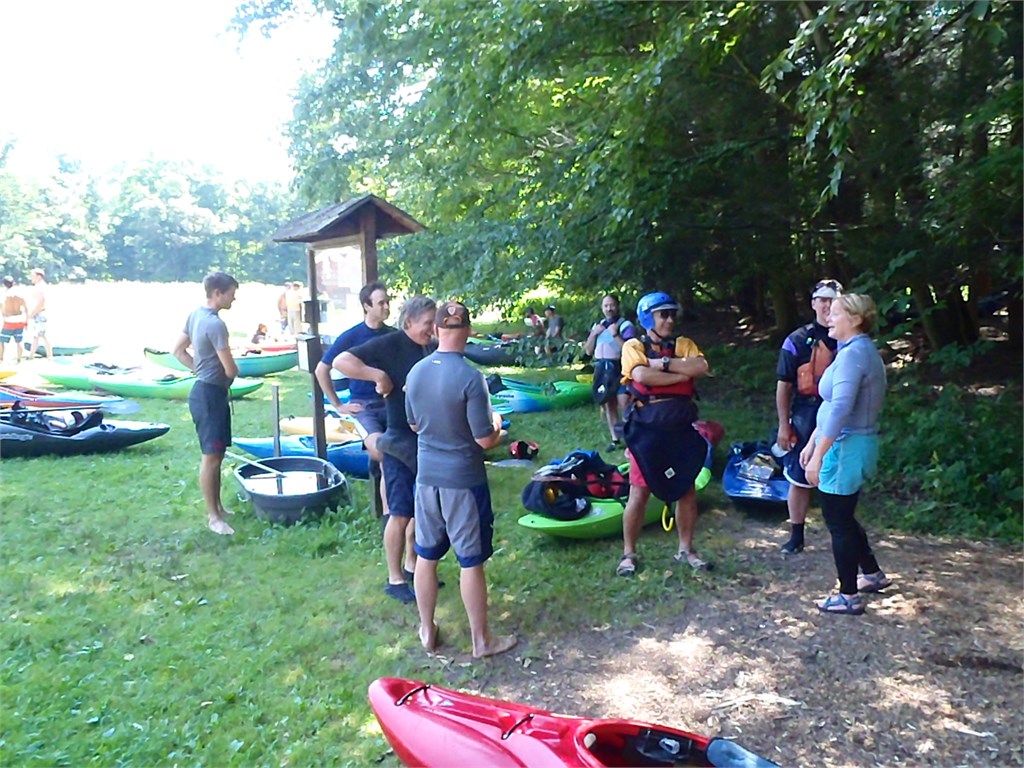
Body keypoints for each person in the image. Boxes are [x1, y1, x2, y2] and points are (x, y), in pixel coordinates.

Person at [405, 301, 518, 658]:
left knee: (426, 556)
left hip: (426, 479)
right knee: (470, 561)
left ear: (436, 330)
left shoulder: (416, 372)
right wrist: (497, 425)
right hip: (463, 481)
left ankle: (427, 628)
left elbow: (413, 424)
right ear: (468, 332)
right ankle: (481, 640)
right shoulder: (471, 378)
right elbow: (484, 439)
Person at [335, 296, 437, 603]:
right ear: (409, 322)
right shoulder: (389, 344)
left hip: (425, 441)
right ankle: (394, 579)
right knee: (399, 512)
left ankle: (412, 565)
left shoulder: (430, 347)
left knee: (421, 510)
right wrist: (377, 375)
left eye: (434, 323)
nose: (432, 328)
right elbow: (341, 361)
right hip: (397, 442)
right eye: (427, 323)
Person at [801, 294, 890, 615]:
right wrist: (812, 441)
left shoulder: (854, 355)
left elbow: (840, 409)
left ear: (855, 320)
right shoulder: (855, 350)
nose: (829, 316)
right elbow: (832, 406)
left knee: (837, 521)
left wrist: (818, 455)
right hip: (845, 444)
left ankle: (848, 595)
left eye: (836, 312)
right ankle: (873, 574)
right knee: (844, 516)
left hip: (846, 448)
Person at [616, 291, 711, 577]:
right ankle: (629, 554)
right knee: (639, 492)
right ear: (648, 318)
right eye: (663, 315)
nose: (670, 320)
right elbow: (641, 376)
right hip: (647, 431)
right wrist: (681, 375)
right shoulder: (634, 346)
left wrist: (663, 365)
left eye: (672, 314)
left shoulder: (684, 344)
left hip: (679, 429)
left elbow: (701, 367)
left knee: (686, 490)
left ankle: (686, 549)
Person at [775, 278, 843, 554]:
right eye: (823, 300)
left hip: (841, 411)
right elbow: (784, 385)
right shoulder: (796, 341)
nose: (828, 306)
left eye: (833, 300)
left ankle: (841, 532)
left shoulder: (849, 339)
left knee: (838, 473)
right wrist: (784, 425)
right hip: (806, 411)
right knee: (799, 475)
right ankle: (796, 535)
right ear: (814, 303)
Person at [172, 271, 241, 536]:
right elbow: (231, 369)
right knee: (211, 457)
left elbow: (177, 350)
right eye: (231, 294)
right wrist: (223, 374)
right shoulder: (215, 324)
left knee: (218, 453)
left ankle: (219, 507)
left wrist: (198, 370)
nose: (234, 299)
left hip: (205, 391)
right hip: (210, 396)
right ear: (217, 293)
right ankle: (213, 517)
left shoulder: (195, 314)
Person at [318, 281, 395, 514]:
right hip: (364, 408)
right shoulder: (351, 336)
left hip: (391, 404)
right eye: (381, 303)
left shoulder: (394, 336)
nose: (386, 307)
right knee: (384, 453)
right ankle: (389, 516)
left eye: (387, 302)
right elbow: (321, 370)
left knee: (395, 457)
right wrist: (338, 404)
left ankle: (397, 514)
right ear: (366, 306)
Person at [583, 294, 636, 451]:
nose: (609, 309)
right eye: (606, 306)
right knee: (608, 403)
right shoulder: (598, 326)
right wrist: (593, 334)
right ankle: (615, 439)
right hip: (602, 369)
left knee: (624, 402)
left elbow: (630, 350)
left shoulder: (625, 325)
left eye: (612, 305)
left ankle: (632, 436)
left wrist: (615, 334)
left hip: (620, 368)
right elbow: (588, 351)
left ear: (617, 306)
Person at [0, 276, 28, 364]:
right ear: (14, 283)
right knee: (19, 341)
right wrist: (26, 321)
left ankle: (1, 359)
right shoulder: (20, 294)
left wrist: (4, 315)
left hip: (9, 321)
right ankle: (19, 360)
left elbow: (2, 307)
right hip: (20, 320)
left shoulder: (5, 295)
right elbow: (26, 308)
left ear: (4, 284)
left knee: (2, 341)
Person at [25, 268, 52, 360]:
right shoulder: (38, 286)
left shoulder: (41, 287)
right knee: (36, 336)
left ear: (39, 276)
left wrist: (32, 313)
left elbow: (41, 302)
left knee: (44, 335)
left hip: (40, 313)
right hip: (37, 313)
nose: (31, 278)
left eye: (33, 276)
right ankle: (31, 355)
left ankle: (49, 355)